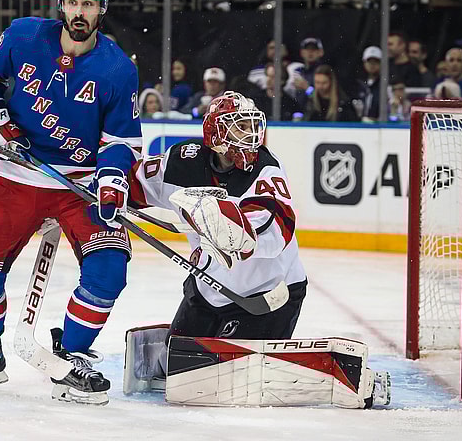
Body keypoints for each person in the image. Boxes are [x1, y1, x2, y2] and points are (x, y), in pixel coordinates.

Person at [0, 0, 142, 406]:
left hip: (78, 183)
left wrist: (110, 182)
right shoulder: (23, 35)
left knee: (109, 271)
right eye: (73, 1)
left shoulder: (117, 69)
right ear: (61, 3)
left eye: (89, 3)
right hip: (19, 175)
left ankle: (71, 354)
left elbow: (122, 140)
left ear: (102, 9)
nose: (79, 11)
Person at [122, 92, 389, 409]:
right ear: (215, 134)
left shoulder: (266, 171)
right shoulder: (182, 162)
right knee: (177, 372)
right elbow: (133, 184)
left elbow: (279, 230)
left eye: (253, 126)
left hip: (265, 295)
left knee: (225, 381)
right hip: (207, 290)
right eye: (239, 128)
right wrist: (113, 192)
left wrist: (237, 233)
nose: (250, 136)